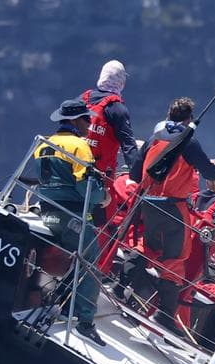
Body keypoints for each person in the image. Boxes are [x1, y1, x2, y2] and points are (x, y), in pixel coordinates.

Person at [132, 96, 215, 331]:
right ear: (189, 119)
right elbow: (209, 173)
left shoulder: (154, 138)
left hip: (147, 202)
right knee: (176, 259)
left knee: (147, 247)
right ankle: (164, 315)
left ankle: (123, 287)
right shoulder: (189, 142)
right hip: (173, 208)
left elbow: (133, 172)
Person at [34, 98, 109, 346]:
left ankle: (63, 307)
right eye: (86, 119)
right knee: (89, 264)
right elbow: (86, 188)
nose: (89, 123)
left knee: (72, 260)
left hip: (48, 213)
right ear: (75, 121)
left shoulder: (43, 144)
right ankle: (85, 324)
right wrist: (104, 195)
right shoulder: (79, 146)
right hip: (72, 216)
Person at [78, 60, 142, 177]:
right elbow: (128, 145)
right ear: (121, 82)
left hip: (72, 167)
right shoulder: (117, 109)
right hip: (97, 175)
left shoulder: (81, 100)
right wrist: (137, 176)